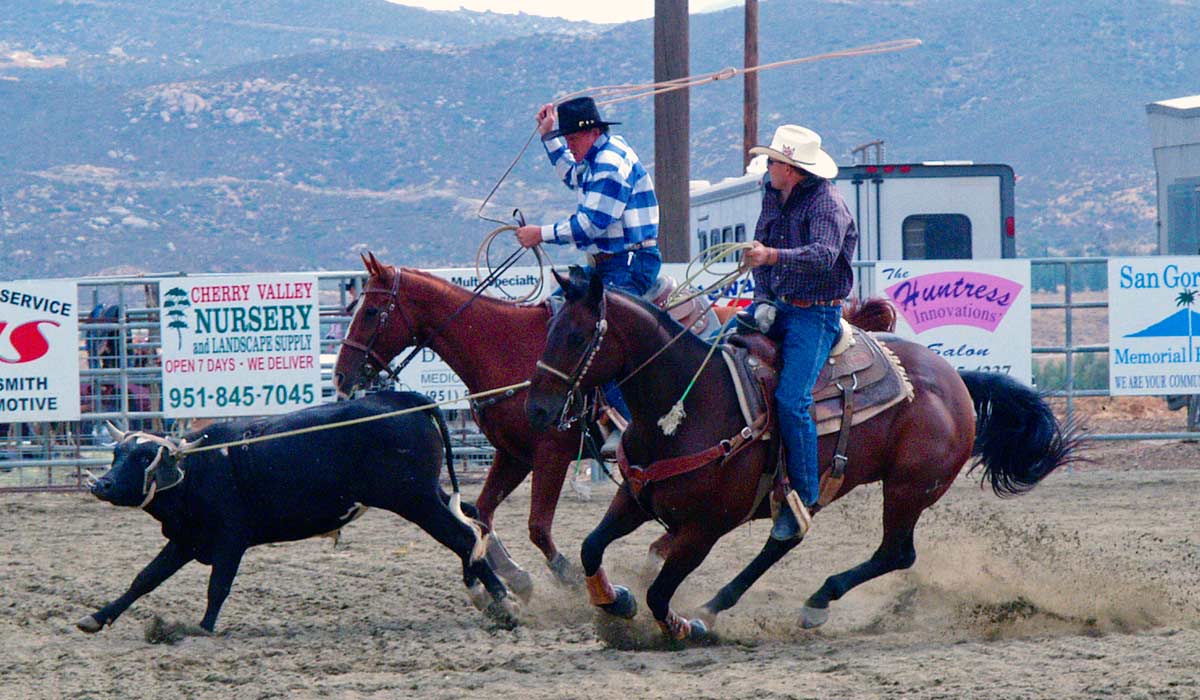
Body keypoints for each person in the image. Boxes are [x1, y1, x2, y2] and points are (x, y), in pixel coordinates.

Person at [516, 96, 661, 452]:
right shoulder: (598, 155)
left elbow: (592, 224)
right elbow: (572, 173)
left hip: (629, 264)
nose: (568, 145)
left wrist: (541, 233)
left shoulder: (610, 164)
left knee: (601, 333)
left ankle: (626, 425)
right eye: (564, 140)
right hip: (611, 263)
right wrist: (549, 137)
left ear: (592, 132)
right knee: (559, 319)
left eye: (571, 139)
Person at [742, 124, 858, 541]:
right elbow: (759, 251)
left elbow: (824, 256)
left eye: (773, 160)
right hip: (781, 306)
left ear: (791, 169)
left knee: (793, 399)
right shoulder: (772, 195)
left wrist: (772, 256)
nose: (768, 165)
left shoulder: (827, 205)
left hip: (816, 316)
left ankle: (805, 496)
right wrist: (762, 300)